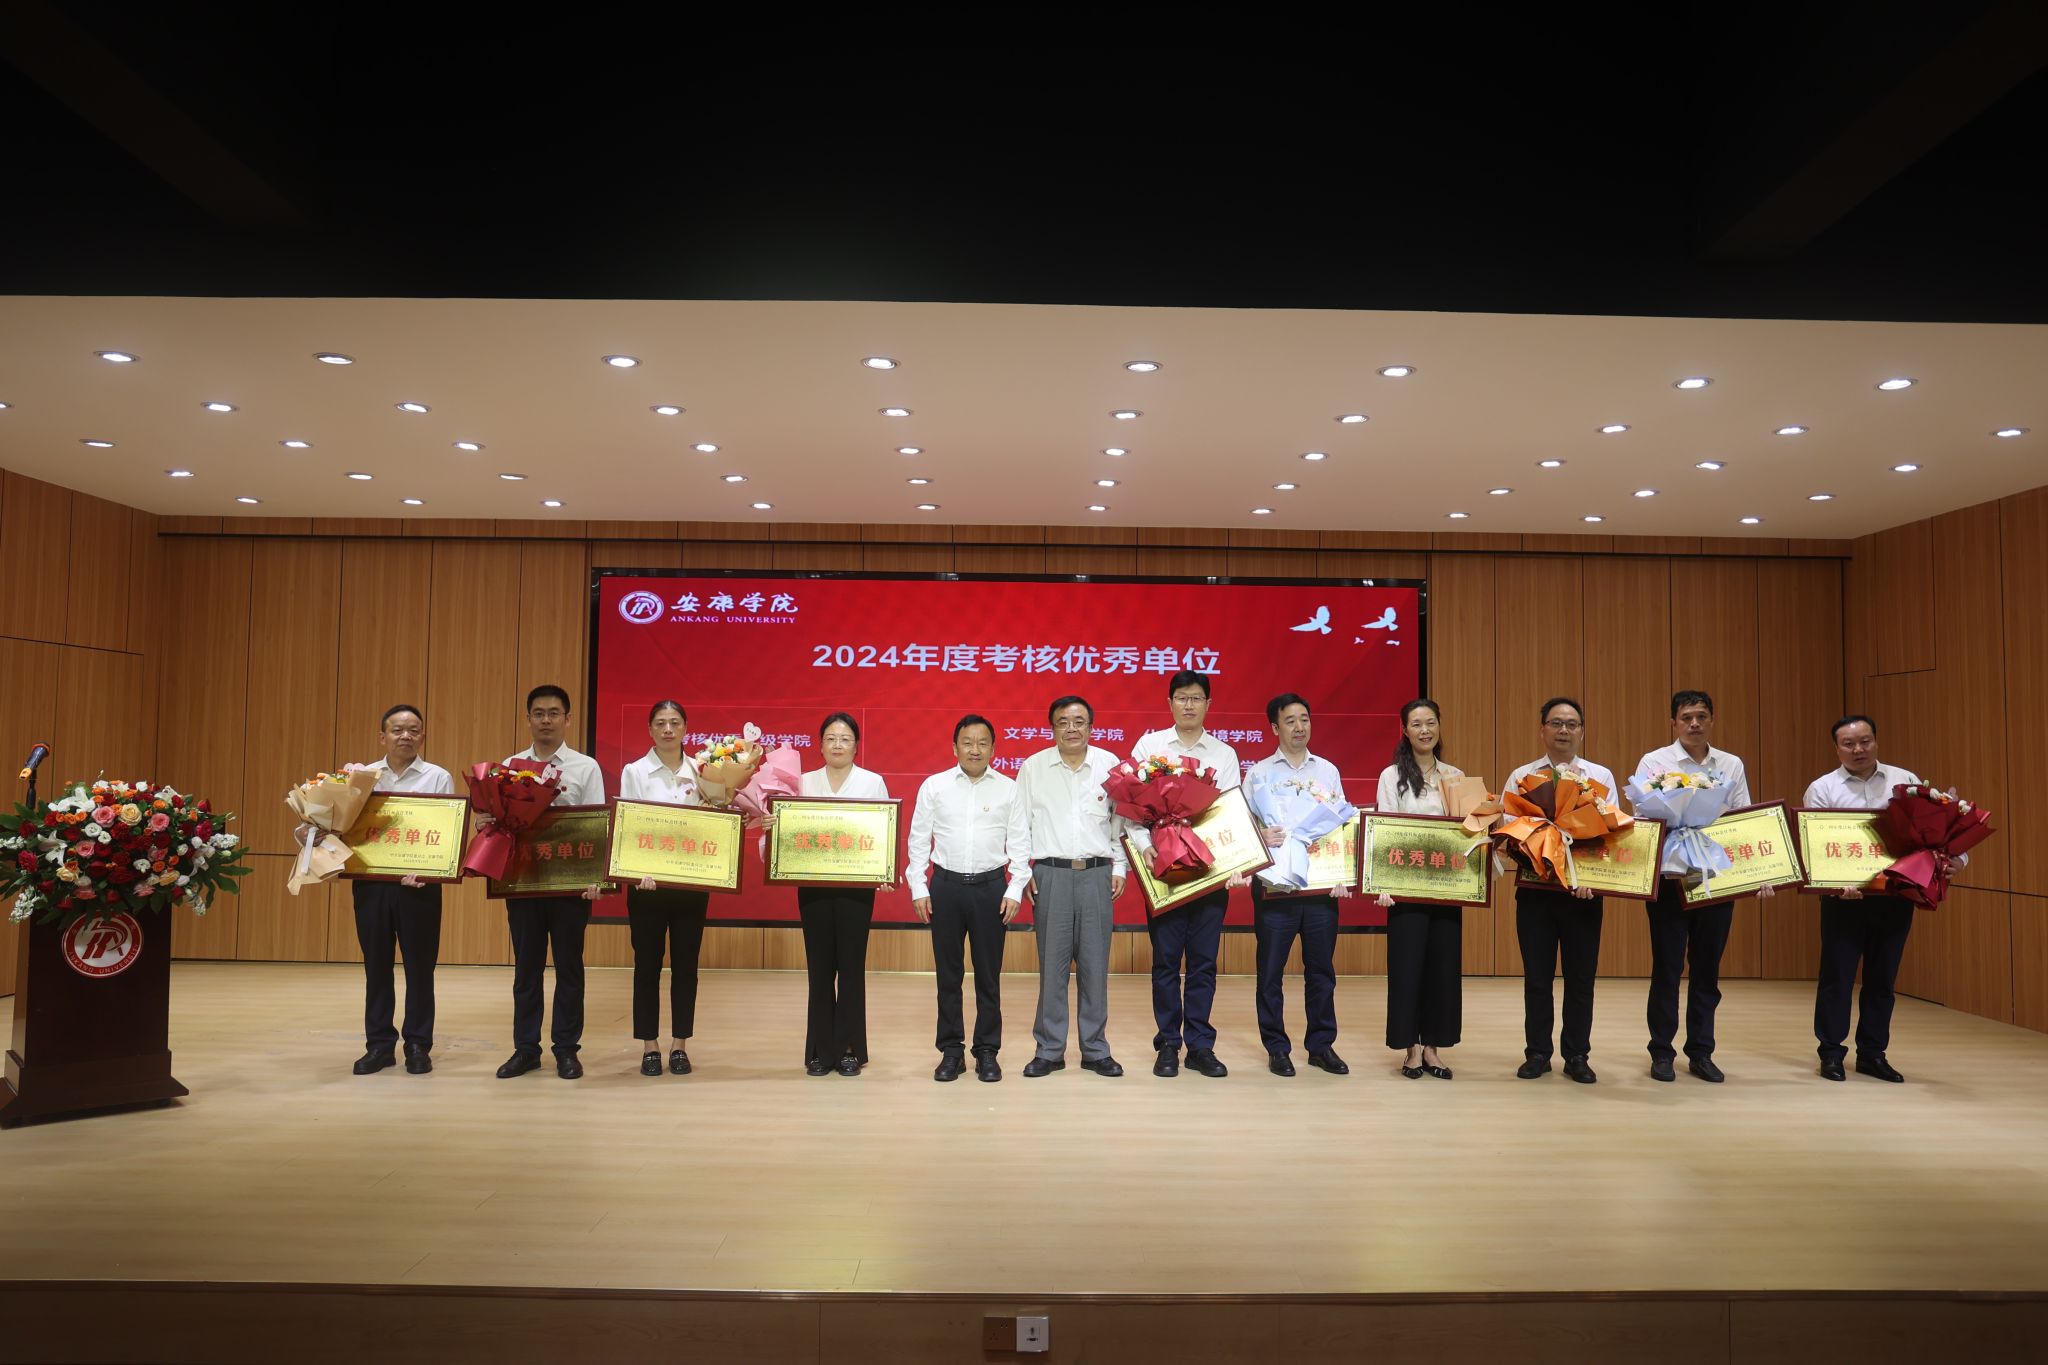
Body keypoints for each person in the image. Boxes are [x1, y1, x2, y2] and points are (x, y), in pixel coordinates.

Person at [1803, 714, 1953, 1083]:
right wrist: (1837, 883)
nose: (1858, 749)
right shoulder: (1822, 788)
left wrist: (1952, 861)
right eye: (1848, 743)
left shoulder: (1906, 781)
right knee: (1837, 978)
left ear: (1876, 741)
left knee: (1882, 979)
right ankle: (1831, 1053)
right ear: (1836, 748)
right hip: (1844, 899)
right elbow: (1817, 846)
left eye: (1865, 741)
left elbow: (1930, 834)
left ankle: (1872, 1053)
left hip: (1894, 895)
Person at [1631, 689, 1757, 1085]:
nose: (1694, 723)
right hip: (1670, 879)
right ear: (1674, 722)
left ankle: (1701, 1052)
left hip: (1714, 879)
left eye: (1701, 716)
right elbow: (1642, 815)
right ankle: (1661, 1052)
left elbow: (1742, 817)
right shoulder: (1655, 762)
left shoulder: (1731, 764)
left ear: (1711, 720)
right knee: (1667, 969)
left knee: (1707, 971)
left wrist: (1757, 874)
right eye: (1686, 717)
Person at [905, 714, 1031, 1083]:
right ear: (954, 747)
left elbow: (1020, 843)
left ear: (993, 748)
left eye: (982, 743)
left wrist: (1015, 888)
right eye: (967, 742)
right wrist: (918, 886)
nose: (975, 749)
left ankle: (987, 1051)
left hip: (992, 890)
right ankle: (951, 1051)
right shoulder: (935, 786)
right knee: (949, 975)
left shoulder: (1009, 789)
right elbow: (918, 839)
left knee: (988, 977)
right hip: (945, 887)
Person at [1128, 670, 1241, 1079]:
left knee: (1203, 963)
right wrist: (1147, 847)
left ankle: (1200, 1045)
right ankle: (1168, 1044)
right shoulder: (1150, 746)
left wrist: (1233, 864)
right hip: (1163, 871)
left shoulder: (1224, 754)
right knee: (1165, 961)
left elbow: (1230, 812)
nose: (1188, 705)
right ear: (1170, 703)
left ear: (1208, 704)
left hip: (1209, 871)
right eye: (1181, 697)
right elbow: (1133, 808)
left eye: (1196, 698)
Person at [495, 684, 608, 1081]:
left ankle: (566, 1050)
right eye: (539, 713)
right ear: (528, 719)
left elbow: (596, 824)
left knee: (569, 968)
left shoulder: (585, 767)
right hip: (524, 882)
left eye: (554, 713)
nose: (546, 720)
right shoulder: (509, 767)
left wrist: (594, 878)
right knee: (526, 969)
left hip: (570, 886)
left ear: (567, 719)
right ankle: (525, 1049)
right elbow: (501, 823)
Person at [1014, 695, 1126, 1078]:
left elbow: (1120, 823)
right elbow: (1019, 825)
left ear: (1091, 727)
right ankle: (1049, 1050)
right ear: (1053, 728)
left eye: (1079, 721)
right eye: (1063, 722)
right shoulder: (1033, 767)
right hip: (1051, 875)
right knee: (1053, 968)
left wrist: (1120, 866)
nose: (1072, 728)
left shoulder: (1109, 765)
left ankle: (1095, 1049)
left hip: (1096, 875)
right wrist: (1022, 871)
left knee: (1095, 967)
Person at [1511, 697, 1617, 1085]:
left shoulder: (1600, 777)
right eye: (1556, 723)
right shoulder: (1522, 776)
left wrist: (1591, 877)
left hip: (1582, 894)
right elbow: (1509, 828)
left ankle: (1577, 1055)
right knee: (1537, 979)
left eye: (1571, 724)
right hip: (1536, 892)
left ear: (1582, 732)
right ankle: (1537, 1053)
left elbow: (1612, 834)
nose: (1563, 731)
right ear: (1542, 730)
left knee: (1581, 979)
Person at [1247, 692, 1352, 1078]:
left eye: (1304, 719)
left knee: (1321, 970)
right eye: (1290, 720)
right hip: (1275, 889)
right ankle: (1277, 1047)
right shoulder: (1259, 774)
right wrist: (1261, 834)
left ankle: (1321, 1045)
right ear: (1275, 727)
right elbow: (1243, 827)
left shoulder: (1327, 771)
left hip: (1320, 889)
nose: (1299, 727)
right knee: (1270, 971)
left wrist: (1342, 875)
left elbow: (1341, 824)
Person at [348, 704, 453, 1077]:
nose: (406, 736)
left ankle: (418, 1045)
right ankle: (379, 1046)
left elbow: (445, 833)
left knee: (420, 968)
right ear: (383, 737)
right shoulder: (362, 778)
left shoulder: (438, 777)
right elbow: (345, 825)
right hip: (371, 883)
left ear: (422, 736)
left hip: (419, 887)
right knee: (376, 966)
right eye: (397, 730)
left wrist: (428, 869)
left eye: (413, 730)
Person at [795, 712, 892, 1077]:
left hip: (856, 889)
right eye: (831, 738)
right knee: (819, 970)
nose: (838, 744)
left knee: (851, 969)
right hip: (813, 886)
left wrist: (884, 870)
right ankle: (820, 1050)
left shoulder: (872, 782)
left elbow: (884, 831)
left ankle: (850, 1048)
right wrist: (772, 822)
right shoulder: (803, 782)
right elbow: (788, 834)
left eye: (845, 738)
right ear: (820, 745)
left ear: (856, 746)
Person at [1374, 698, 1466, 1081]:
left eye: (1430, 722)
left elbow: (1469, 832)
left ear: (1439, 726)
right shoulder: (1391, 776)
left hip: (1447, 887)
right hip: (1406, 888)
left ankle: (1433, 1048)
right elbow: (1384, 830)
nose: (1424, 730)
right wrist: (1382, 882)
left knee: (1443, 969)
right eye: (1416, 724)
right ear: (1405, 730)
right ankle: (1411, 1048)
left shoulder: (1456, 777)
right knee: (1407, 967)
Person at [618, 699, 709, 1078]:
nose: (668, 729)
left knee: (686, 967)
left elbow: (715, 821)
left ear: (686, 727)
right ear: (650, 730)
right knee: (647, 966)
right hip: (647, 886)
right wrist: (636, 870)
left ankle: (680, 1045)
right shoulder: (635, 771)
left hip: (691, 883)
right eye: (660, 723)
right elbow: (628, 825)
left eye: (674, 722)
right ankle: (650, 1046)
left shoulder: (705, 771)